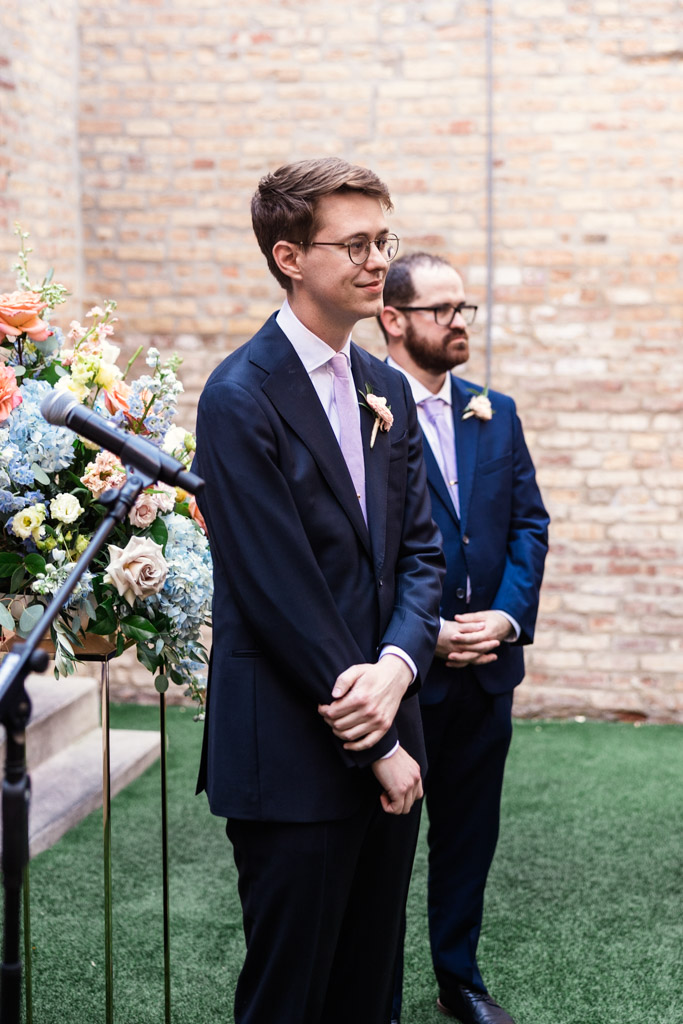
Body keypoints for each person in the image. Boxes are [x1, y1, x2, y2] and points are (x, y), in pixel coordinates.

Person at [193, 161, 445, 1024]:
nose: (379, 261)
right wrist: (372, 736)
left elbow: (418, 555)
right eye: (357, 244)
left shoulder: (384, 389)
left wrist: (400, 668)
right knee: (289, 997)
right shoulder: (237, 397)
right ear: (290, 256)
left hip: (391, 731)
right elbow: (277, 591)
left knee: (369, 991)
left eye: (385, 239)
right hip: (293, 749)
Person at [379, 253, 549, 1024]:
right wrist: (430, 632)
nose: (457, 322)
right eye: (439, 309)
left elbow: (528, 527)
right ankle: (370, 988)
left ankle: (459, 978)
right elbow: (357, 553)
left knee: (467, 836)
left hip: (487, 675)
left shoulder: (495, 411)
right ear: (393, 320)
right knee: (381, 849)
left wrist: (506, 619)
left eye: (463, 309)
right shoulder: (362, 414)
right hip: (403, 677)